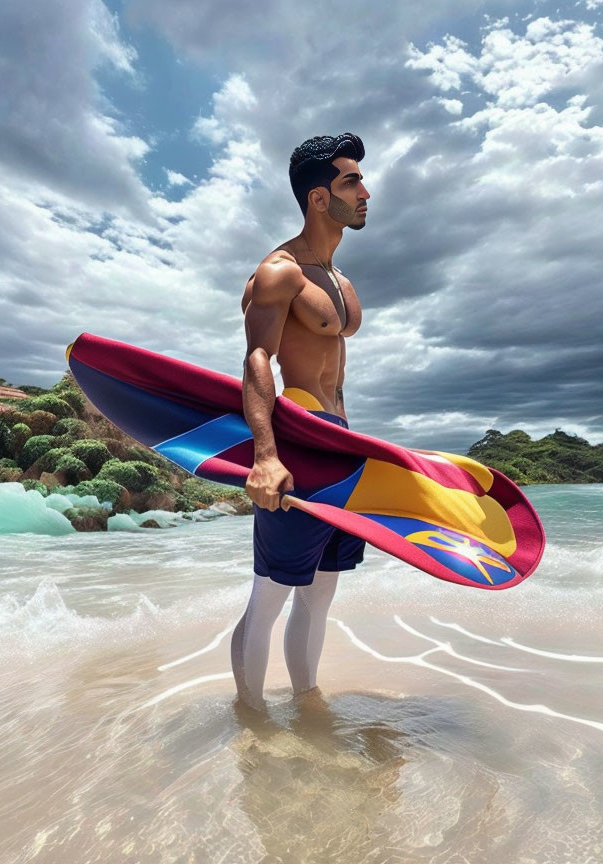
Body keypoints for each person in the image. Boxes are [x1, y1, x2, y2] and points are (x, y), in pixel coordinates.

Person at [230, 132, 371, 710]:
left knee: (322, 592)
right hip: (299, 440)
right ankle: (251, 716)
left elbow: (338, 374)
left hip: (340, 445)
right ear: (319, 198)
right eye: (351, 181)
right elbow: (257, 358)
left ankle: (307, 702)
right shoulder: (279, 272)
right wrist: (265, 455)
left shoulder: (340, 282)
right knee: (270, 595)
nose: (366, 191)